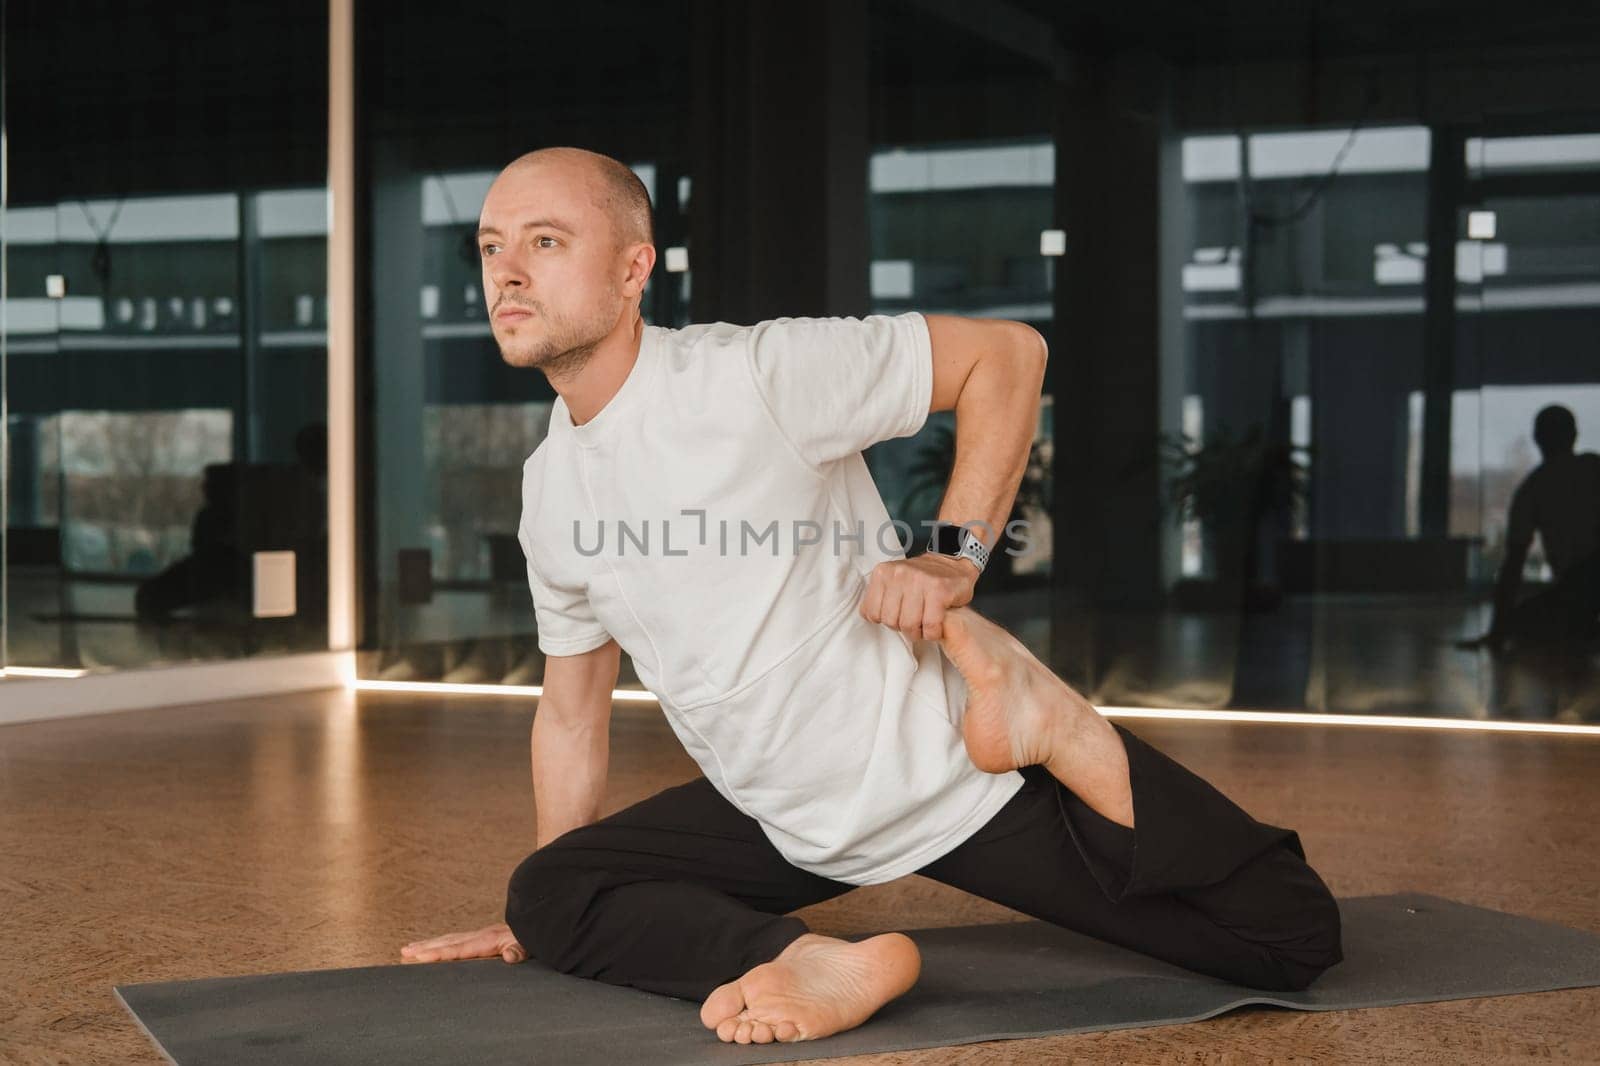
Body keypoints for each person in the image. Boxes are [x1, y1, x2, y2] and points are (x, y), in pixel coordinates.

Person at [399, 147, 1343, 1046]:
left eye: (545, 241)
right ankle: (810, 962)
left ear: (634, 268)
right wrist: (567, 905)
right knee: (545, 890)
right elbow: (570, 718)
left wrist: (950, 561)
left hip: (939, 774)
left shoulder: (755, 374)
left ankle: (1059, 725)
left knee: (1289, 938)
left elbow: (1006, 357)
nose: (507, 271)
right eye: (491, 245)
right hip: (778, 812)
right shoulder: (550, 489)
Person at [1462, 404, 1600, 654]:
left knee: (1524, 623)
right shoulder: (1593, 467)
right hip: (1582, 585)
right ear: (1574, 435)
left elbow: (1514, 563)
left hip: (1577, 590)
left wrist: (1498, 632)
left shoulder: (1533, 489)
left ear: (1538, 438)